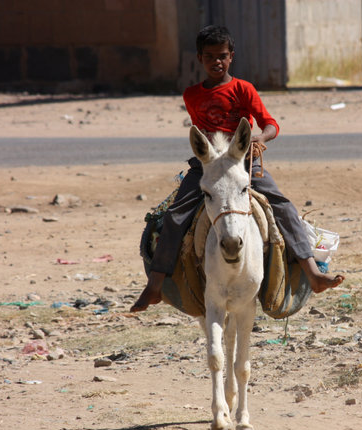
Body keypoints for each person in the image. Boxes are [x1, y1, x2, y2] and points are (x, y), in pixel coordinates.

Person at [131, 25, 343, 312]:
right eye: (209, 57)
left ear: (231, 57)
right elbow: (201, 135)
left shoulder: (244, 89)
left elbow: (271, 124)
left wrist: (260, 137)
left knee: (282, 206)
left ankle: (313, 274)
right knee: (175, 215)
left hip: (245, 162)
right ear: (199, 59)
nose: (216, 62)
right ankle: (155, 285)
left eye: (222, 56)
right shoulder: (191, 95)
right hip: (207, 167)